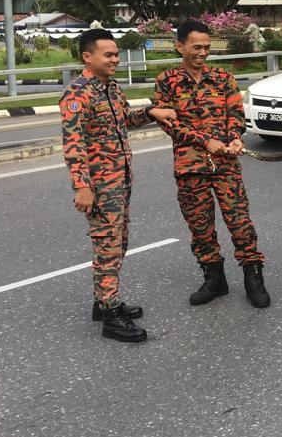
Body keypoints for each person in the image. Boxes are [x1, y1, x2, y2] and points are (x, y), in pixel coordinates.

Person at [59, 29, 177, 342]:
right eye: (108, 54)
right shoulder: (77, 94)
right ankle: (111, 315)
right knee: (107, 246)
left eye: (116, 54)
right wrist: (82, 186)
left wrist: (151, 112)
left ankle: (104, 302)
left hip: (120, 179)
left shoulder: (110, 88)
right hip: (100, 185)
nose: (115, 59)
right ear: (87, 57)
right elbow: (73, 144)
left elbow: (125, 119)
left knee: (118, 242)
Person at [153, 19, 270, 309]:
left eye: (207, 47)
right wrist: (205, 141)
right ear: (180, 46)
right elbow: (170, 124)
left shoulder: (223, 78)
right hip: (190, 167)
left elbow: (236, 114)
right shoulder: (166, 81)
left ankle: (253, 277)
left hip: (226, 164)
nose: (203, 52)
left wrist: (235, 138)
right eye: (196, 47)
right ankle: (214, 278)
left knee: (240, 223)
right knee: (200, 227)